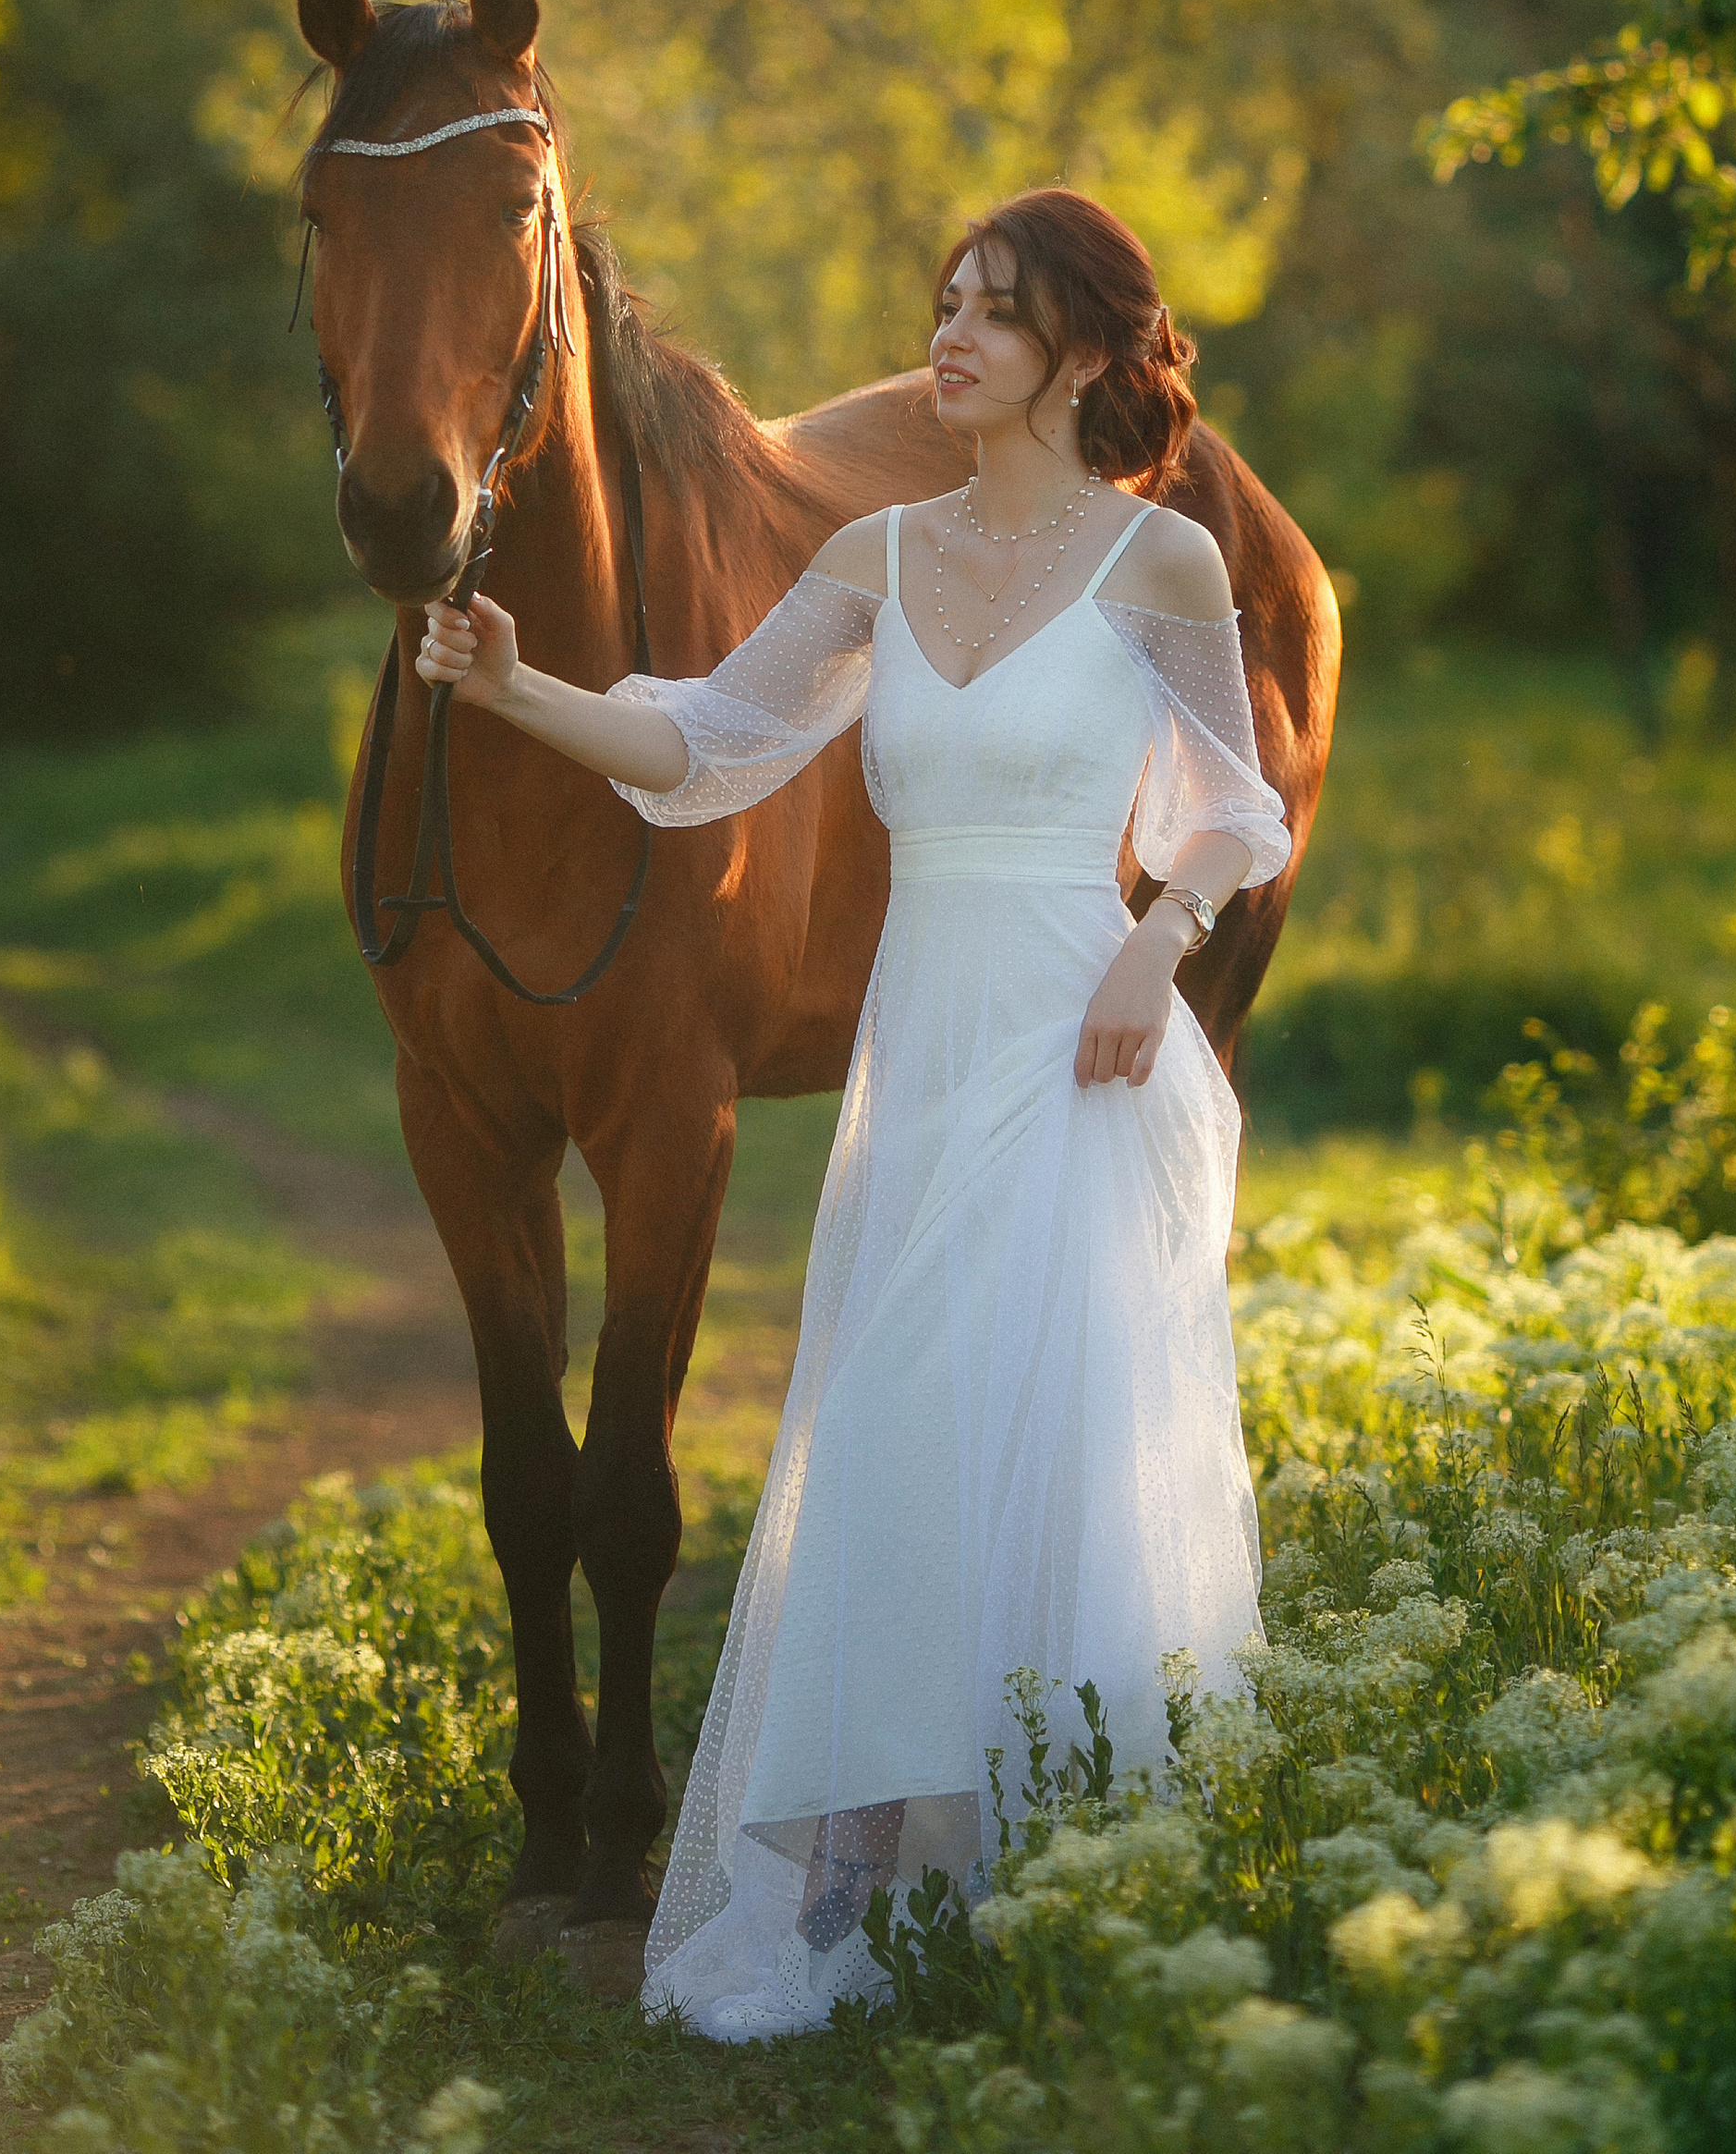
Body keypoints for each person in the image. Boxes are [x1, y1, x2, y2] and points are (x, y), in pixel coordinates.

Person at [416, 187, 1290, 2042]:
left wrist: (1163, 939)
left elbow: (1234, 802)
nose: (943, 340)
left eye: (987, 313)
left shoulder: (1161, 567)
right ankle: (858, 1890)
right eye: (940, 305)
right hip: (922, 1059)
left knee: (1048, 1457)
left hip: (1082, 1043)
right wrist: (517, 689)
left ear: (1076, 349)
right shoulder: (878, 561)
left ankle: (1062, 1870)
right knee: (895, 1433)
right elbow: (704, 743)